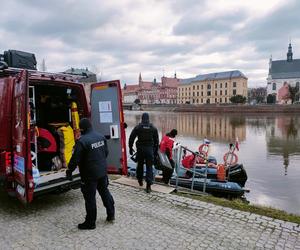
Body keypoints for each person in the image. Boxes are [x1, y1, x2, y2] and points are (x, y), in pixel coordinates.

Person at [66, 118, 115, 230]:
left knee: (90, 198)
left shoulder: (82, 141)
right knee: (104, 192)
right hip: (102, 172)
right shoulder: (100, 136)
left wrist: (69, 171)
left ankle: (90, 223)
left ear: (82, 128)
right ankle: (111, 214)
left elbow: (75, 160)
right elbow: (106, 153)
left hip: (89, 175)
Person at [129, 113, 159, 193]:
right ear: (148, 119)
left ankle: (140, 180)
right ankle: (148, 185)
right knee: (149, 167)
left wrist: (130, 148)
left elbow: (131, 138)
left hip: (140, 149)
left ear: (142, 119)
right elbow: (157, 141)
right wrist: (155, 152)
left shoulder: (138, 127)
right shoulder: (153, 128)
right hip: (149, 150)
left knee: (140, 164)